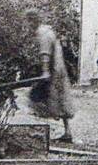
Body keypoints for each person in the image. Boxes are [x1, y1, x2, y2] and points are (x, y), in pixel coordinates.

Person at [25, 9, 76, 142]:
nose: (28, 26)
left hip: (53, 72)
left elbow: (45, 54)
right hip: (58, 70)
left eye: (29, 22)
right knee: (60, 101)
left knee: (36, 99)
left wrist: (45, 72)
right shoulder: (47, 31)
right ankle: (67, 132)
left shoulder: (43, 34)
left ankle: (39, 131)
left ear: (33, 21)